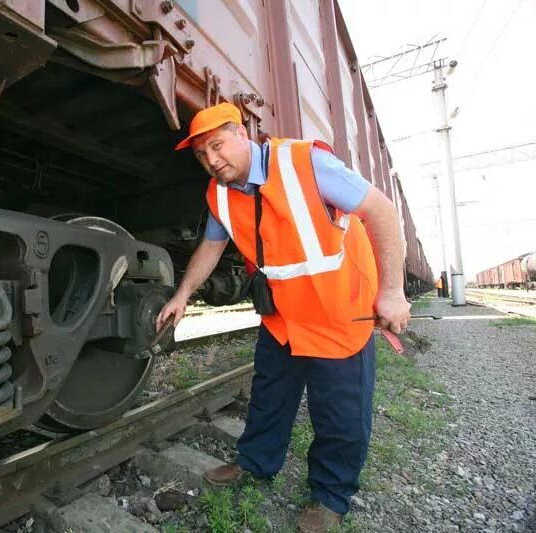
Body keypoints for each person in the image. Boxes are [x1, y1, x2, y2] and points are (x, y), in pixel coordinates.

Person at [156, 103, 411, 532]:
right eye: (202, 155)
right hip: (284, 318)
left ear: (243, 133)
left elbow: (381, 210)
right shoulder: (219, 192)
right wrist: (183, 294)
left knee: (339, 416)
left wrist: (391, 291)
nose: (213, 161)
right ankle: (256, 463)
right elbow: (212, 246)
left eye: (217, 146)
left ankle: (330, 497)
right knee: (269, 399)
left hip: (339, 317)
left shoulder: (305, 162)